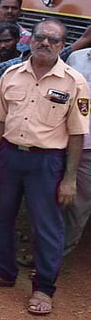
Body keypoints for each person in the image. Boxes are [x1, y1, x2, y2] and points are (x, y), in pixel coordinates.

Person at [0, 19, 89, 316]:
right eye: (40, 37)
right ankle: (3, 272)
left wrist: (70, 178)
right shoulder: (12, 74)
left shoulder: (74, 82)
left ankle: (43, 288)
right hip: (11, 156)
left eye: (53, 40)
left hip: (48, 162)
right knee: (3, 217)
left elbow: (77, 134)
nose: (45, 43)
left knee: (47, 226)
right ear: (31, 40)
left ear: (63, 46)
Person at [66, 45, 91, 255]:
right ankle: (45, 255)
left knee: (79, 206)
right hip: (64, 142)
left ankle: (56, 256)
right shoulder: (76, 58)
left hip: (89, 150)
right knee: (51, 199)